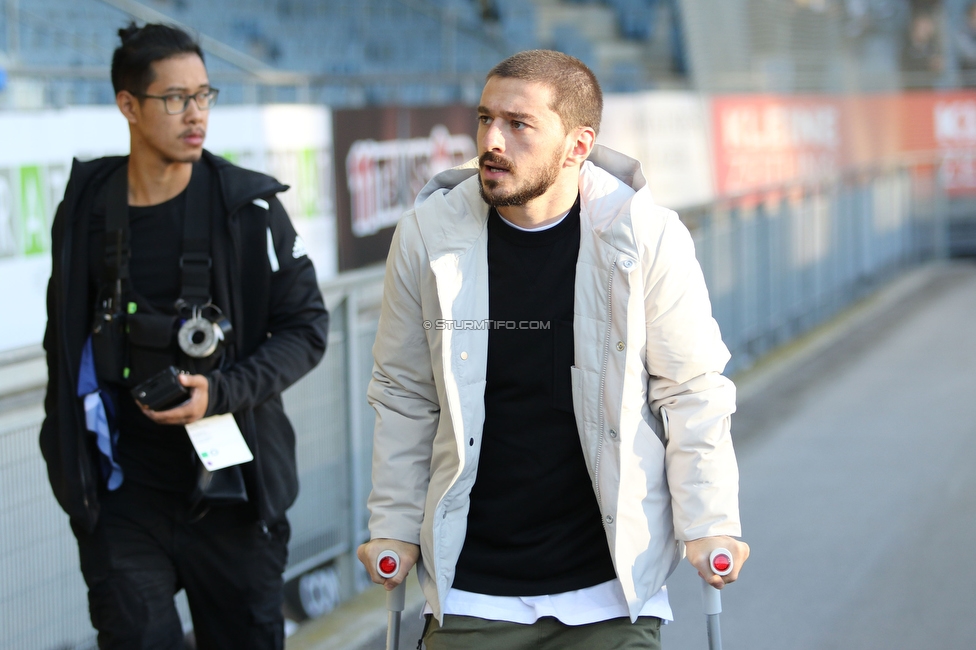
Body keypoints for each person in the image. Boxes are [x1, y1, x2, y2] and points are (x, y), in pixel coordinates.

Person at [357, 50, 748, 649]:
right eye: (485, 118)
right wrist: (392, 525)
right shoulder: (427, 237)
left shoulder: (644, 237)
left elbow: (692, 390)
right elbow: (405, 395)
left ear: (578, 145)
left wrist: (710, 523)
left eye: (518, 125)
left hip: (610, 589)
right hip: (472, 588)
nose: (491, 140)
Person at [40, 23, 329, 649]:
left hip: (233, 499)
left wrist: (220, 391)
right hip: (122, 502)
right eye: (175, 99)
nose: (195, 114)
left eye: (204, 95)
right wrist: (74, 482)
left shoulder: (247, 207)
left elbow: (307, 328)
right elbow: (58, 346)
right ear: (128, 106)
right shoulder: (85, 209)